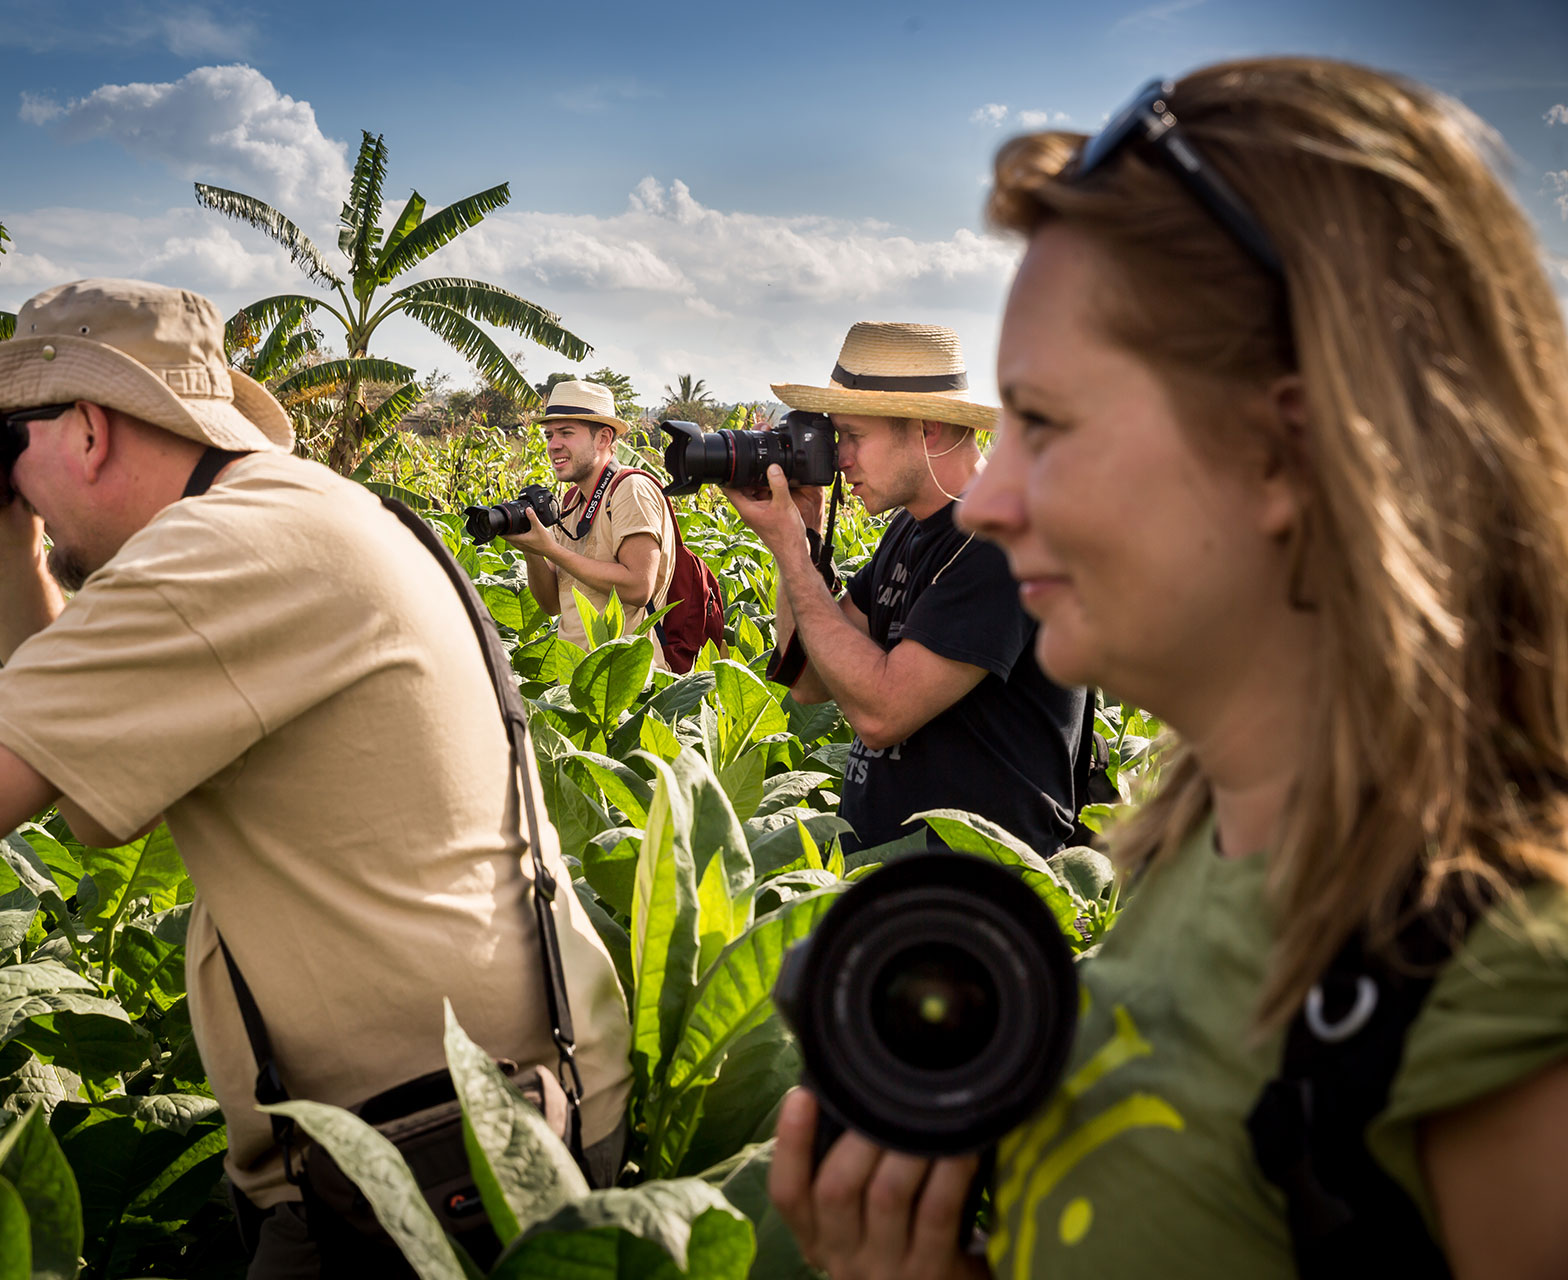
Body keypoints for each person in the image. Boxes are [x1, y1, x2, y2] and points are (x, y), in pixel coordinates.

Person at [769, 58, 1568, 1279]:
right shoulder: (1206, 841)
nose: (999, 502)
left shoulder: (1498, 991)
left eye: (1049, 423)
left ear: (1291, 448)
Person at [0, 278, 632, 1276]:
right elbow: (83, 781)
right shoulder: (285, 512)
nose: (7, 473)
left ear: (88, 430)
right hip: (477, 1111)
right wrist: (14, 550)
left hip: (438, 1153)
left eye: (11, 441)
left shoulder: (220, 554)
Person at [723, 323, 1084, 855]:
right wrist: (803, 537)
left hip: (974, 886)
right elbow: (809, 680)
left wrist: (796, 559)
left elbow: (881, 714)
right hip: (894, 878)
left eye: (854, 435)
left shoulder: (1005, 541)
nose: (840, 458)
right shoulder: (911, 529)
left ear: (927, 429)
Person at [502, 380, 675, 665]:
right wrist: (532, 549)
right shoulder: (572, 501)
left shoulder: (630, 490)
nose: (553, 445)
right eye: (549, 435)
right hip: (576, 676)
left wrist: (552, 550)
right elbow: (551, 604)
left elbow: (638, 588)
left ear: (603, 438)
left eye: (566, 433)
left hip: (626, 677)